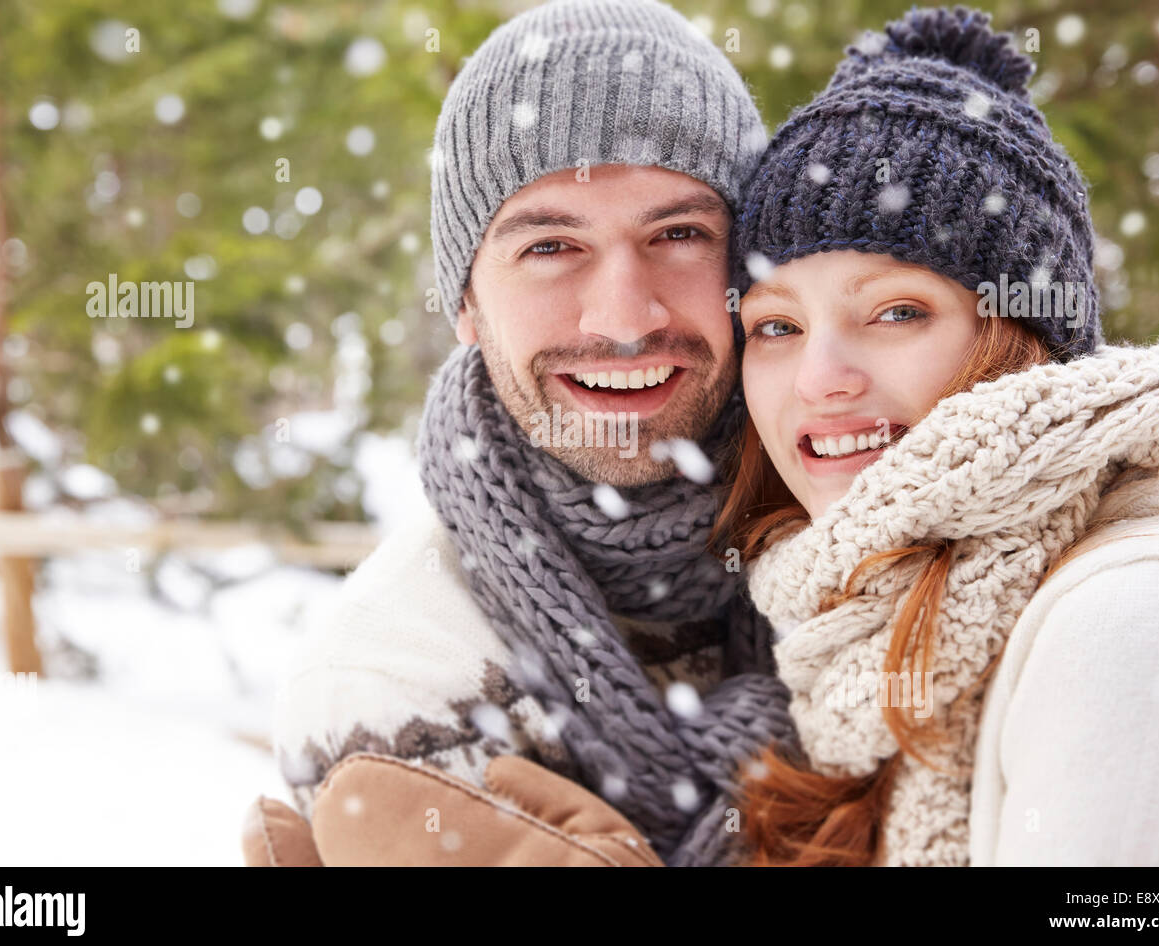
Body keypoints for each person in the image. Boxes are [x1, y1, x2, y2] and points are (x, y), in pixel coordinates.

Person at [249, 0, 800, 868]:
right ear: (465, 303)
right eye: (550, 246)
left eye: (681, 232)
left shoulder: (880, 516)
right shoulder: (393, 682)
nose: (624, 316)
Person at [716, 6, 1159, 865]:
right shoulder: (837, 629)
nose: (817, 378)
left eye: (896, 312)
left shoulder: (1136, 615)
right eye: (776, 326)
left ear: (1024, 339)